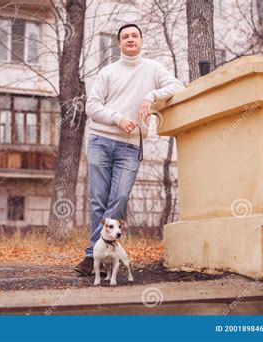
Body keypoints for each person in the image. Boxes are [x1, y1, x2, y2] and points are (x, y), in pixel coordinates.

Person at [74, 23, 184, 276]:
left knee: (119, 198)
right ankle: (94, 257)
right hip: (101, 140)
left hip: (130, 145)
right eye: (125, 37)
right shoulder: (108, 72)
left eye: (135, 35)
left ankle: (100, 254)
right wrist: (117, 118)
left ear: (141, 41)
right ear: (119, 43)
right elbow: (92, 106)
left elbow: (178, 87)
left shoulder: (153, 69)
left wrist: (150, 96)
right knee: (98, 201)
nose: (130, 39)